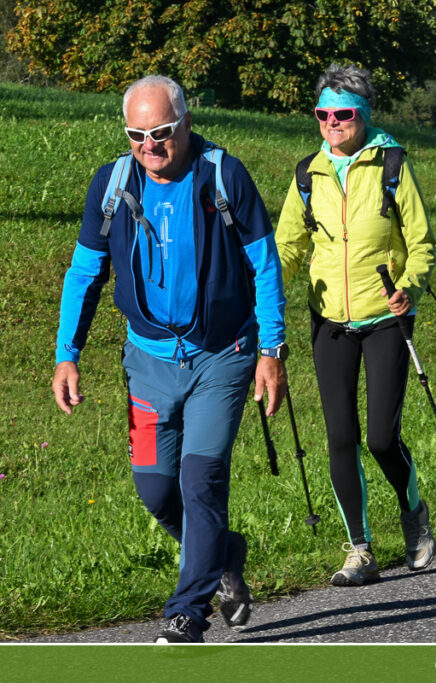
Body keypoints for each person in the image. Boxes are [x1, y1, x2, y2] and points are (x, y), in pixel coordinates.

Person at [52, 75, 288, 643]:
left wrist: (271, 350)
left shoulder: (223, 175)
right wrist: (67, 354)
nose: (149, 145)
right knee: (156, 490)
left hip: (222, 357)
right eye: (136, 135)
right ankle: (221, 555)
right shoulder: (112, 184)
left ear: (185, 122)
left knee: (201, 480)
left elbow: (264, 264)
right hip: (148, 363)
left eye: (160, 132)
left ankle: (188, 613)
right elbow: (84, 272)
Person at [275, 64, 436, 587]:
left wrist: (408, 287)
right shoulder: (308, 174)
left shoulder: (391, 165)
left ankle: (413, 510)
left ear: (363, 115)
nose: (331, 123)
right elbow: (286, 248)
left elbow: (422, 242)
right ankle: (360, 550)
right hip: (330, 322)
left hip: (386, 316)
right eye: (322, 114)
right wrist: (259, 285)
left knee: (382, 439)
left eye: (342, 114)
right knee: (340, 438)